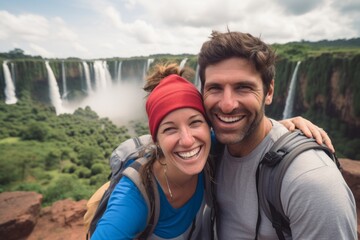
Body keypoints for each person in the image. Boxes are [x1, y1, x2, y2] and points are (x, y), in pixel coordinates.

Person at [197, 30, 357, 239]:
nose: (227, 105)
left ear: (269, 92)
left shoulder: (311, 182)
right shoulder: (208, 151)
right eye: (215, 88)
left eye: (243, 87)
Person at [91, 63, 210, 239]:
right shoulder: (135, 195)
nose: (187, 140)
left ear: (209, 127)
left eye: (195, 122)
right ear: (156, 141)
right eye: (170, 129)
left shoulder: (213, 147)